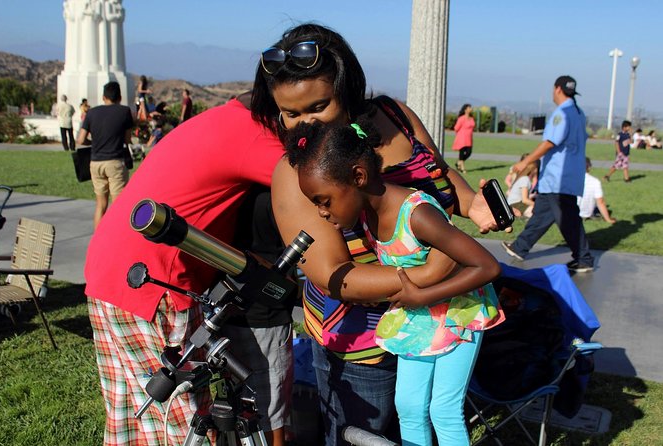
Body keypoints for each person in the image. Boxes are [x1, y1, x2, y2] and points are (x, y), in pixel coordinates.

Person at [250, 23, 508, 446]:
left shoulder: (394, 117)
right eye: (290, 113)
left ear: (347, 89)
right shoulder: (296, 173)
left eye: (318, 105)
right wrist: (434, 270)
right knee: (367, 436)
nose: (303, 124)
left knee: (427, 421)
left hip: (438, 322)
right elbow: (335, 275)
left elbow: (440, 177)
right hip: (364, 346)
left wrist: (471, 205)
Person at [83, 92, 293, 446]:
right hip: (156, 285)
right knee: (177, 421)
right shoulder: (257, 133)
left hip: (107, 272)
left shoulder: (214, 120)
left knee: (129, 419)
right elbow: (320, 180)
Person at [285, 118, 504, 446]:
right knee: (410, 407)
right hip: (420, 321)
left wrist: (421, 296)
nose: (320, 212)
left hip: (460, 315)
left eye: (324, 200)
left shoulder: (416, 214)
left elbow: (486, 266)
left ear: (358, 176)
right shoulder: (367, 213)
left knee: (443, 409)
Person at [501, 75, 594, 273]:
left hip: (558, 177)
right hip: (568, 176)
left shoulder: (562, 113)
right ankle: (520, 247)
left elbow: (550, 141)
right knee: (543, 213)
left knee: (568, 219)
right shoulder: (579, 112)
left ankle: (584, 258)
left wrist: (526, 161)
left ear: (557, 89)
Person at [76, 81, 134, 228]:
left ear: (103, 97)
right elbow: (127, 139)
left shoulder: (91, 113)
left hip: (95, 163)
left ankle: (98, 241)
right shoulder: (124, 111)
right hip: (115, 162)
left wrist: (93, 143)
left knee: (101, 205)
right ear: (120, 97)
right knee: (118, 206)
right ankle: (116, 240)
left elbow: (80, 139)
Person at [578, 157, 616, 224]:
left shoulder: (570, 179)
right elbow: (600, 202)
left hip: (571, 213)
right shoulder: (595, 181)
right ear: (589, 167)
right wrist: (608, 219)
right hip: (586, 213)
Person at [452, 103, 475, 173]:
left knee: (469, 152)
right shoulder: (461, 118)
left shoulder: (471, 118)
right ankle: (462, 168)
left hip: (469, 138)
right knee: (462, 152)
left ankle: (459, 163)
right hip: (462, 138)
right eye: (469, 108)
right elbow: (456, 128)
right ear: (465, 109)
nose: (471, 109)